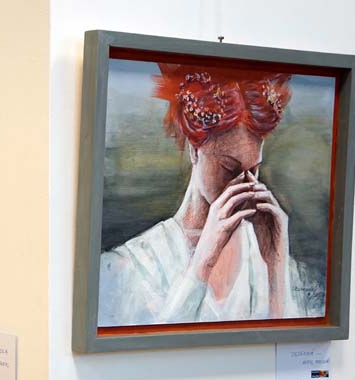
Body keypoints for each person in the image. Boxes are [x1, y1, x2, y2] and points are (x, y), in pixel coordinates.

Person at [98, 65, 315, 327]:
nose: (246, 183)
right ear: (194, 151)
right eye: (229, 168)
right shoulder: (134, 265)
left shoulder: (270, 255)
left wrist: (275, 266)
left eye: (254, 169)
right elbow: (154, 344)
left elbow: (289, 339)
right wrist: (202, 262)